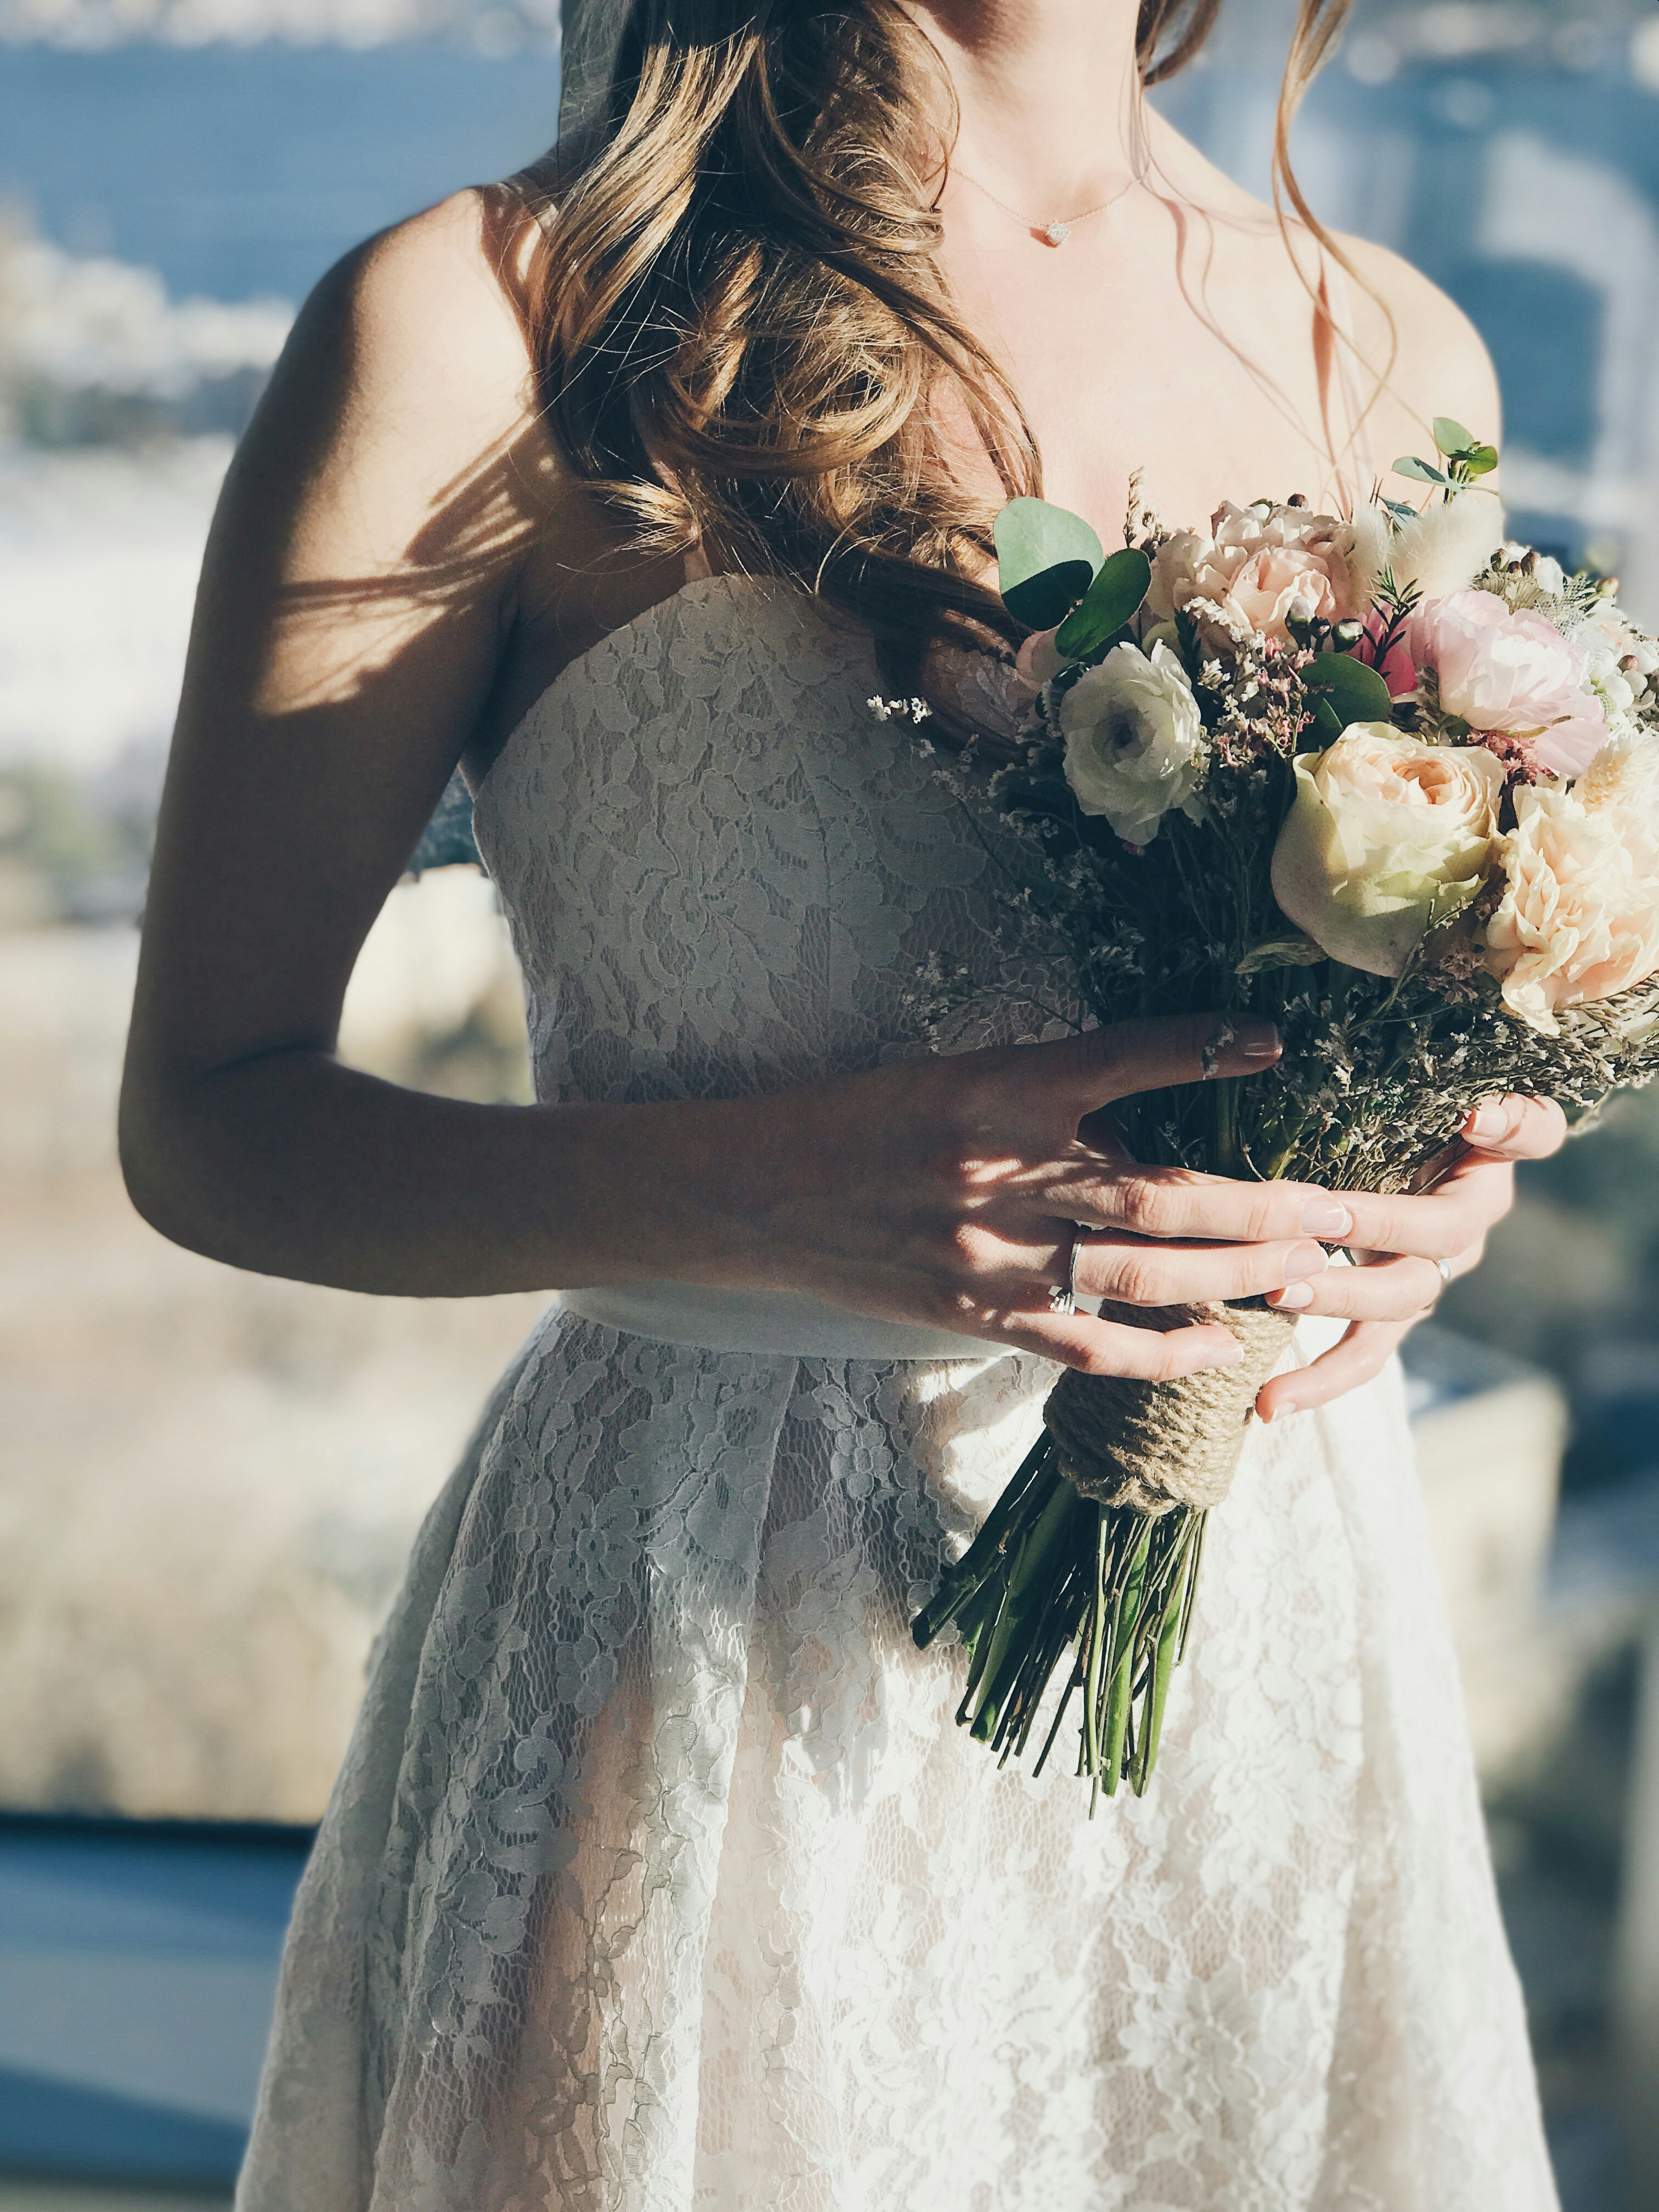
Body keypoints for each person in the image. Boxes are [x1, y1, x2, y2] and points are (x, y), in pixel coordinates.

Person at [119, 1, 1566, 2204]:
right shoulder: (488, 321)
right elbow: (210, 1121)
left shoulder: (1397, 358)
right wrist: (764, 1198)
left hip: (1276, 1663)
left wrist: (1429, 1202)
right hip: (705, 1676)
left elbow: (1405, 1003)